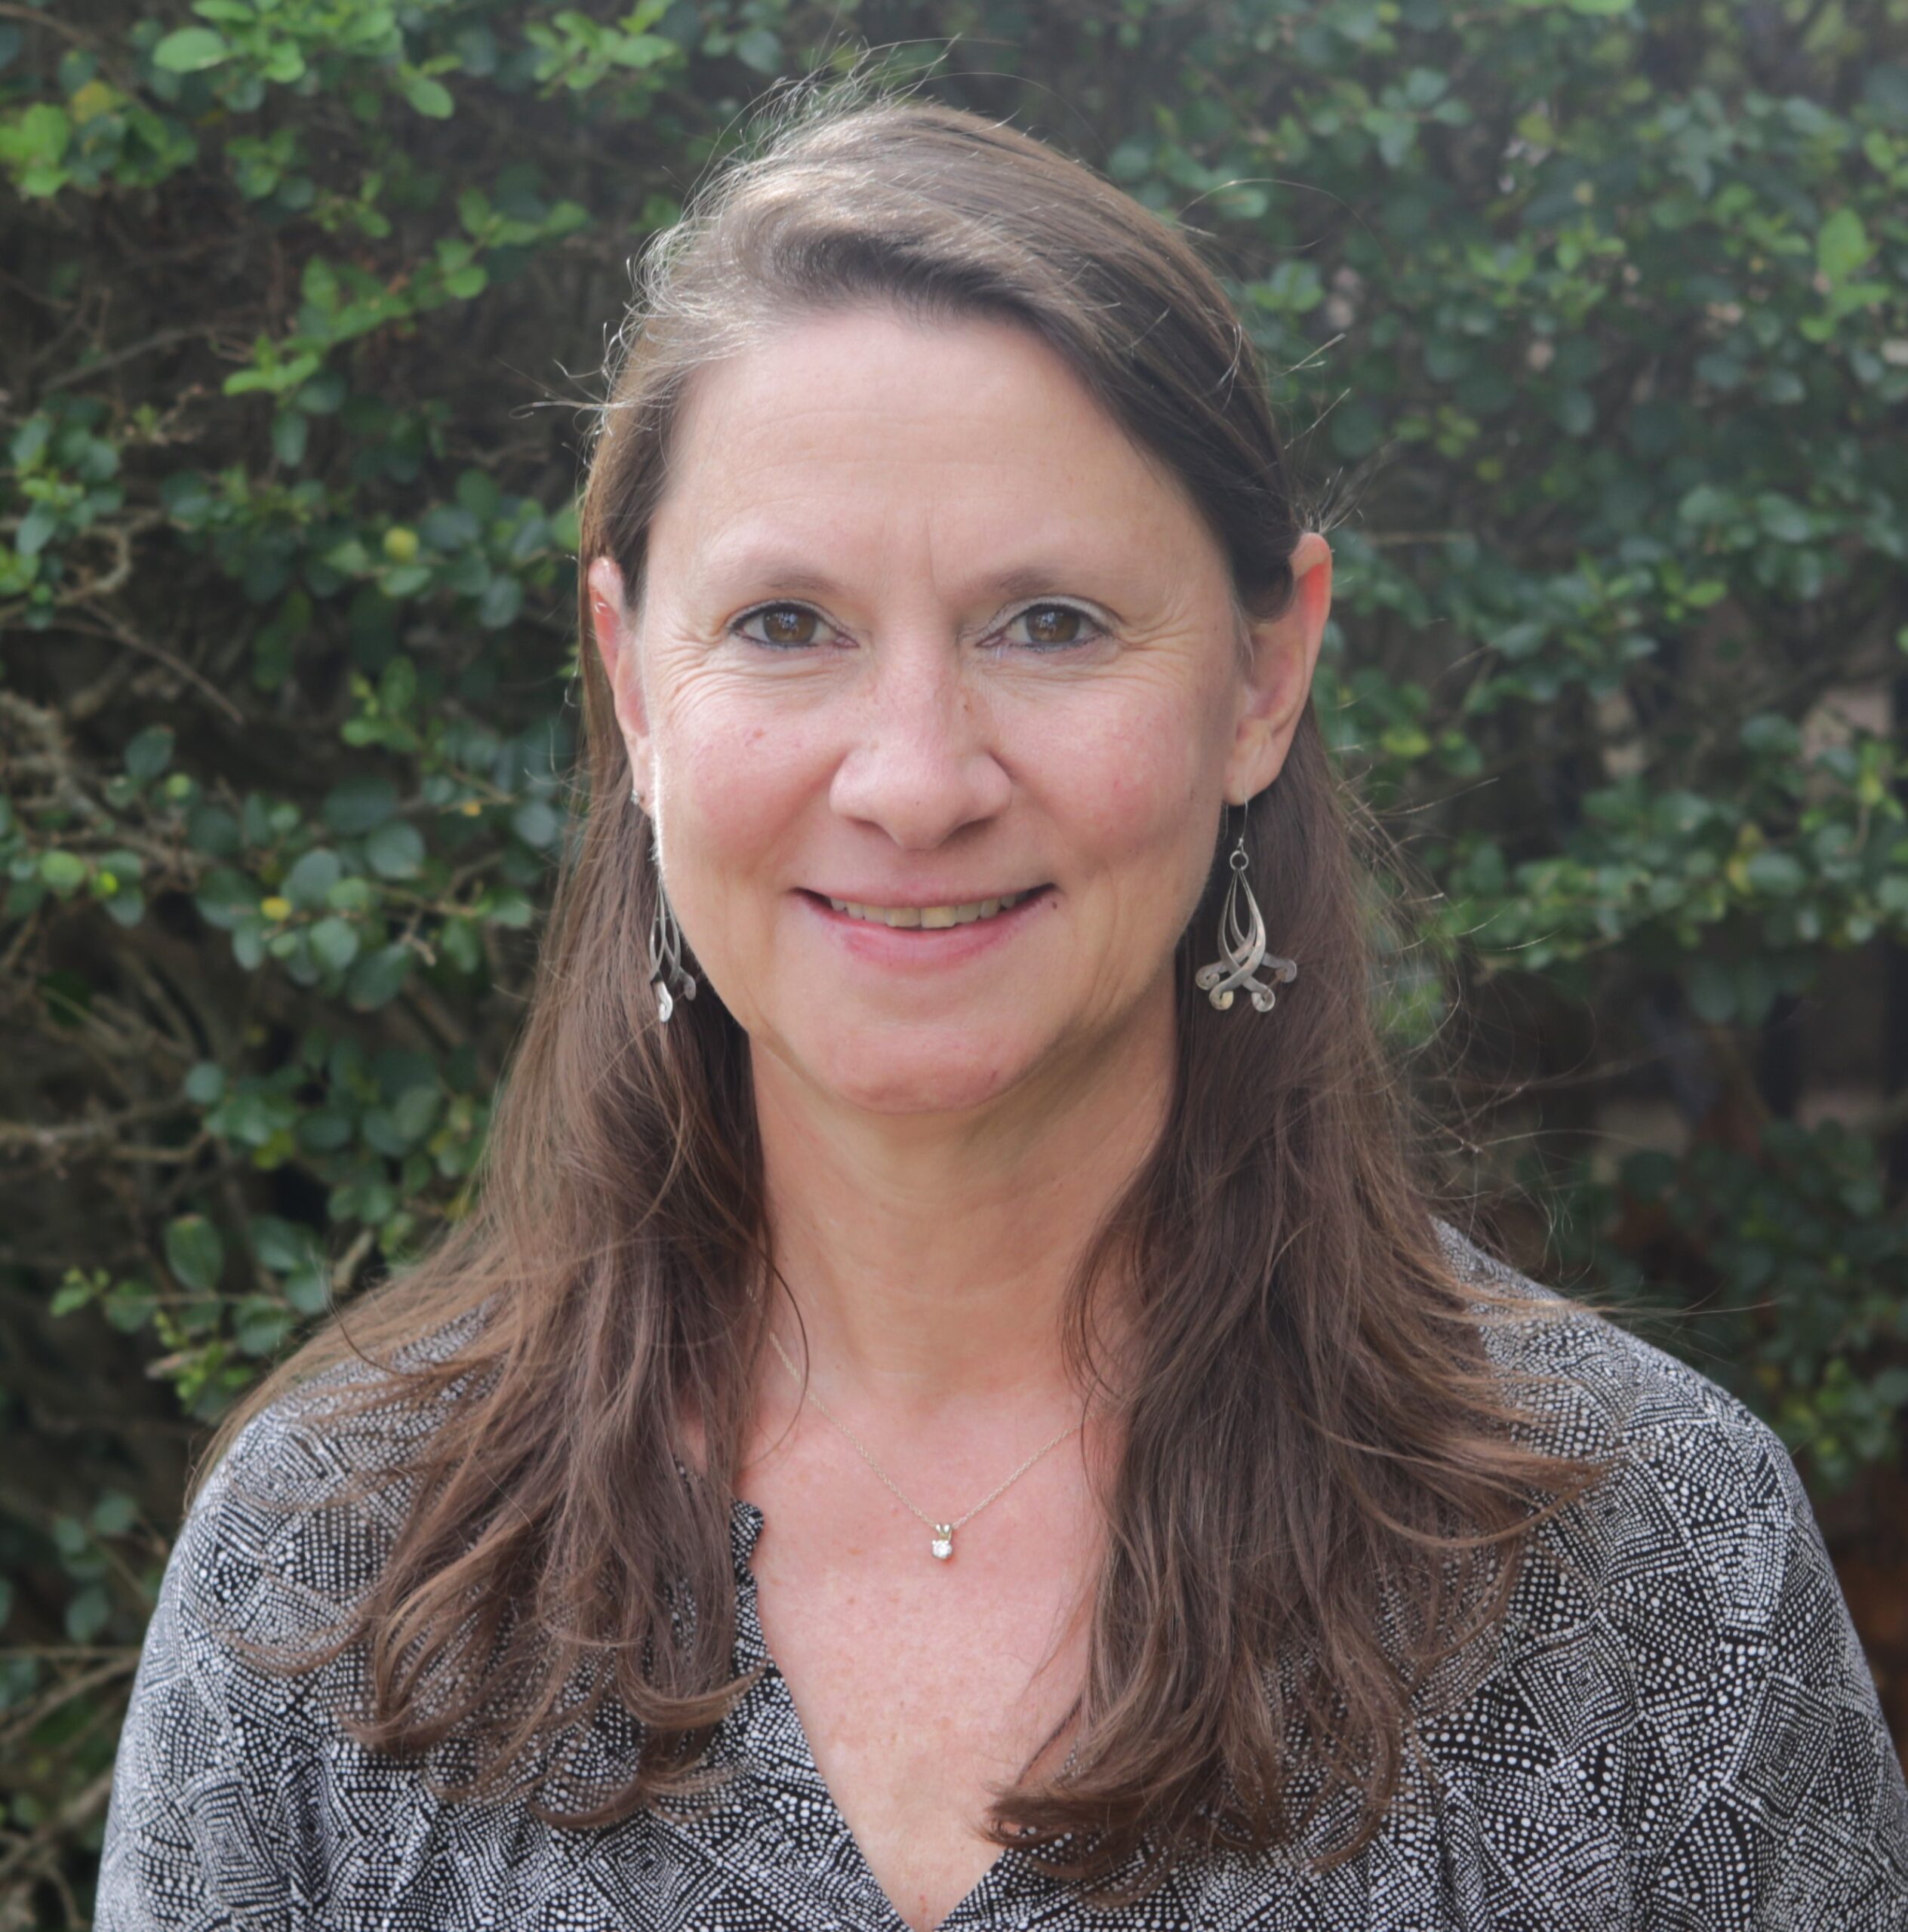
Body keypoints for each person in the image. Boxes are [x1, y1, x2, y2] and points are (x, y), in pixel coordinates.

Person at [97, 91, 1908, 1932]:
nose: (913, 778)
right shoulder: (333, 1577)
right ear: (633, 681)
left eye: (1046, 619)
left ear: (1264, 672)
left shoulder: (1651, 1569)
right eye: (787, 621)